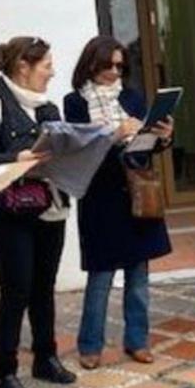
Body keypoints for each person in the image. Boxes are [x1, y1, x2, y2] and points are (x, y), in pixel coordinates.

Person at [0, 36, 75, 388]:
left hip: (50, 206)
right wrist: (20, 156)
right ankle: (5, 372)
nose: (52, 72)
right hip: (10, 211)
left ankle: (46, 357)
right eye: (46, 65)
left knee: (44, 287)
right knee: (16, 291)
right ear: (23, 67)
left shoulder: (49, 108)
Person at [62, 36, 174, 369]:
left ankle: (137, 340)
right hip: (100, 195)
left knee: (139, 276)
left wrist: (163, 137)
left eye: (119, 65)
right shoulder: (75, 102)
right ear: (90, 64)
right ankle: (90, 344)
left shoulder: (133, 97)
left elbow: (147, 147)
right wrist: (114, 134)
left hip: (135, 192)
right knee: (101, 277)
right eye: (107, 65)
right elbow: (77, 148)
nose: (114, 71)